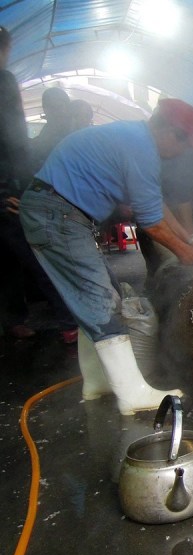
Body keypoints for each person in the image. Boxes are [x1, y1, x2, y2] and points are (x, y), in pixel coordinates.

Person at [19, 98, 193, 415]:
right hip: (57, 214)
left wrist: (189, 240)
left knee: (96, 296)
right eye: (185, 144)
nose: (184, 152)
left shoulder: (134, 139)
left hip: (56, 212)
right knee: (100, 299)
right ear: (169, 131)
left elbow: (155, 206)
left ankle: (98, 381)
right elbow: (151, 223)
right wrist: (187, 254)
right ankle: (132, 394)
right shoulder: (141, 150)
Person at [0, 26, 77, 343]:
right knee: (38, 249)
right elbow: (13, 136)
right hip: (7, 185)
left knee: (6, 257)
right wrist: (20, 186)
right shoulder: (3, 80)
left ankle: (13, 319)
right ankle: (71, 320)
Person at [30, 86, 74, 172]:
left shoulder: (75, 131)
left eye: (58, 107)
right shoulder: (47, 131)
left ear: (67, 108)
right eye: (49, 107)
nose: (54, 112)